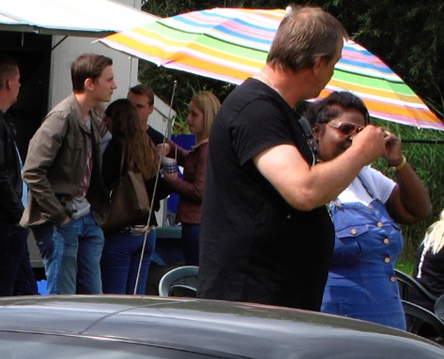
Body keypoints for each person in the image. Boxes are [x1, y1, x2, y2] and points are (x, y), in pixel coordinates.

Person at [200, 6, 386, 309]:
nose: (332, 76)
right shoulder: (256, 110)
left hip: (273, 299)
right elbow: (304, 190)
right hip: (251, 302)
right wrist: (361, 152)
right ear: (317, 63)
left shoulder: (273, 109)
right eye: (334, 65)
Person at [308, 90, 431, 344]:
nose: (353, 138)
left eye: (361, 132)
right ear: (317, 131)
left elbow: (417, 210)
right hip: (338, 324)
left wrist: (398, 162)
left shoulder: (366, 178)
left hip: (387, 320)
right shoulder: (308, 177)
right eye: (345, 129)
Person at [23, 53, 117, 294]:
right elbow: (32, 171)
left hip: (87, 217)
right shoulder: (61, 118)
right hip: (62, 221)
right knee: (61, 304)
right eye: (109, 80)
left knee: (93, 302)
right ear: (89, 83)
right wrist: (59, 216)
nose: (114, 85)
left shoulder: (94, 117)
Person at [97, 98, 166, 294]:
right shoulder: (148, 146)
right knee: (136, 297)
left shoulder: (117, 146)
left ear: (115, 120)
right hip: (148, 231)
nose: (104, 122)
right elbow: (160, 188)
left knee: (115, 297)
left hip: (122, 229)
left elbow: (101, 183)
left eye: (107, 118)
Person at [0, 56, 37, 298]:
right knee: (3, 291)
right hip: (6, 221)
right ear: (7, 83)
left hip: (13, 220)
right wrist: (19, 214)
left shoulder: (1, 119)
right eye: (18, 80)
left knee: (25, 290)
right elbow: (0, 173)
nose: (20, 85)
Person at [158, 90, 218, 267]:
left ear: (207, 117)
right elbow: (189, 158)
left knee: (193, 272)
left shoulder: (206, 149)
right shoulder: (205, 147)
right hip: (197, 224)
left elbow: (200, 191)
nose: (189, 119)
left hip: (196, 224)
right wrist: (170, 146)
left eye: (194, 114)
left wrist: (173, 180)